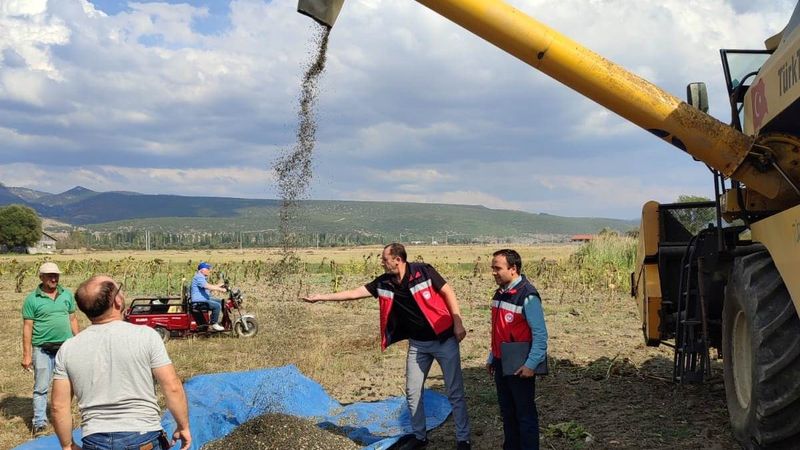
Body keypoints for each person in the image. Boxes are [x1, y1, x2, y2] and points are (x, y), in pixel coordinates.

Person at [303, 243, 471, 450]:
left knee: (454, 391)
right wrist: (321, 298)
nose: (382, 262)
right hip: (418, 345)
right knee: (412, 392)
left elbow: (448, 291)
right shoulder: (385, 283)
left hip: (444, 340)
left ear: (397, 260)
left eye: (385, 259)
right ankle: (420, 437)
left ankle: (464, 439)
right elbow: (355, 293)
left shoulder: (423, 271)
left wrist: (458, 322)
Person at [52, 275, 191, 450]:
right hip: (143, 436)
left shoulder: (68, 348)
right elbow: (172, 386)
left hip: (95, 440)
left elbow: (59, 406)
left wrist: (67, 445)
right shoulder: (146, 336)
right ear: (117, 301)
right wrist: (183, 426)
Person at [486, 249, 548, 450]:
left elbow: (540, 336)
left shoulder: (528, 296)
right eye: (492, 268)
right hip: (501, 363)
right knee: (508, 414)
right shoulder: (500, 293)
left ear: (513, 269)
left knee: (525, 416)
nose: (494, 272)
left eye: (498, 268)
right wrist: (491, 357)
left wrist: (531, 365)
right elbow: (498, 331)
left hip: (520, 367)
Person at [21, 261, 80, 435]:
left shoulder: (67, 295)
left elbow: (73, 319)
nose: (54, 279)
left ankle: (63, 416)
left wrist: (79, 341)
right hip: (42, 349)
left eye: (56, 275)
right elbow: (27, 327)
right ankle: (39, 422)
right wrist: (26, 355)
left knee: (68, 385)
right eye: (50, 276)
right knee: (41, 387)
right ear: (41, 277)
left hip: (65, 348)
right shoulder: (32, 300)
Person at [190, 261, 226, 331]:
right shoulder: (199, 277)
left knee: (220, 301)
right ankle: (214, 323)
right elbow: (207, 286)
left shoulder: (201, 277)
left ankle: (214, 320)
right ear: (202, 270)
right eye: (208, 269)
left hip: (203, 299)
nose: (209, 271)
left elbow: (209, 286)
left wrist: (219, 285)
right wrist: (220, 289)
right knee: (217, 306)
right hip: (199, 302)